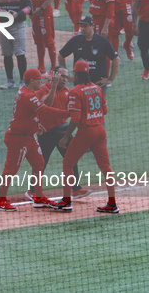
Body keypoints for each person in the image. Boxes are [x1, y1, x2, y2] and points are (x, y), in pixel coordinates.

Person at [0, 68, 68, 211]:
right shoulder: (27, 95)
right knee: (10, 170)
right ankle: (1, 201)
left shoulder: (26, 92)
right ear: (32, 81)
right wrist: (68, 113)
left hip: (28, 136)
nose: (41, 81)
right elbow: (45, 110)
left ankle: (38, 196)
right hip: (18, 139)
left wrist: (35, 124)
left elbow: (27, 113)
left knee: (39, 163)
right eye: (39, 79)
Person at [50, 60, 118, 213]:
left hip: (86, 133)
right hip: (100, 131)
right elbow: (105, 111)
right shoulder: (97, 88)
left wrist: (65, 137)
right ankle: (112, 203)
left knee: (67, 163)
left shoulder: (75, 91)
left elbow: (74, 119)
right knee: (106, 167)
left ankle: (66, 201)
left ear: (76, 74)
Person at [25, 66, 90, 200]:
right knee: (41, 163)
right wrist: (53, 87)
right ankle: (31, 191)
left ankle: (76, 189)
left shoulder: (68, 91)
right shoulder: (42, 89)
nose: (65, 79)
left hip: (62, 131)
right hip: (46, 132)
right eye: (62, 76)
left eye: (67, 77)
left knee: (72, 159)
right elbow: (45, 106)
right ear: (53, 75)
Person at [58, 15, 120, 88]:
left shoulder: (102, 41)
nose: (83, 29)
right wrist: (67, 76)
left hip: (98, 84)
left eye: (85, 26)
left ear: (92, 26)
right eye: (81, 26)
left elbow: (116, 58)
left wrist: (110, 79)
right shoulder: (75, 41)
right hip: (80, 84)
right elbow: (60, 56)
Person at [28, 0, 58, 75]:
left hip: (44, 13)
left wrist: (42, 8)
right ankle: (41, 67)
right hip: (33, 13)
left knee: (49, 41)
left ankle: (54, 68)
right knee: (38, 41)